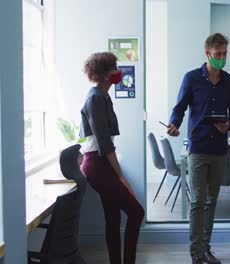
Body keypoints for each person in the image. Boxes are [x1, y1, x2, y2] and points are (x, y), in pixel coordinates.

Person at [167, 33, 230, 264]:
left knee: (211, 201)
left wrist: (228, 124)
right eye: (218, 54)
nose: (222, 58)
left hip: (219, 148)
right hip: (198, 147)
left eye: (225, 54)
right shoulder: (191, 78)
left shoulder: (229, 82)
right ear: (207, 53)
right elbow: (179, 108)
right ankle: (196, 253)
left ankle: (206, 248)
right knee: (198, 200)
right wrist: (174, 124)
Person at [80, 52, 145, 264]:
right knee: (136, 213)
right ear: (107, 73)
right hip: (97, 165)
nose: (118, 71)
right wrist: (121, 177)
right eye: (115, 67)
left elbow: (106, 143)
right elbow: (105, 144)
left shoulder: (103, 96)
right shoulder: (95, 98)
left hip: (100, 163)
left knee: (113, 218)